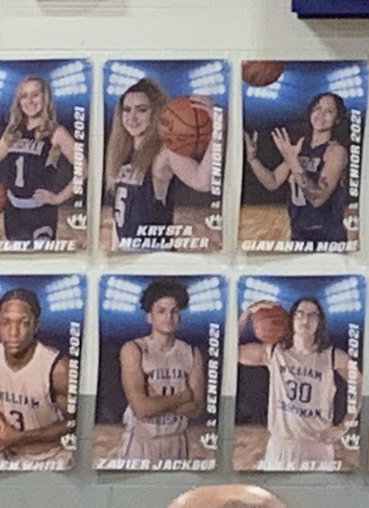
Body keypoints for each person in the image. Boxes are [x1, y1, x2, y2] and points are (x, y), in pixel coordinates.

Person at [237, 297, 358, 471]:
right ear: (291, 319)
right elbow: (230, 353)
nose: (305, 319)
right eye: (300, 314)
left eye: (312, 315)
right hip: (281, 445)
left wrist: (344, 426)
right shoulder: (273, 352)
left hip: (317, 447)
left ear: (319, 322)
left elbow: (361, 385)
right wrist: (247, 314)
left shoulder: (332, 356)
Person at [104, 78, 214, 251]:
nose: (132, 117)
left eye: (141, 110)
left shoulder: (164, 153)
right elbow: (120, 219)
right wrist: (114, 251)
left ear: (156, 113)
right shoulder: (122, 155)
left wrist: (217, 134)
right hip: (127, 257)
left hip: (155, 258)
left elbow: (203, 182)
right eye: (126, 110)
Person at [117, 279, 205, 463]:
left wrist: (156, 401)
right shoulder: (134, 349)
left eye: (174, 311)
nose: (169, 317)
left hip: (177, 441)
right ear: (149, 316)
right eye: (161, 311)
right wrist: (182, 397)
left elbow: (196, 408)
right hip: (141, 442)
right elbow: (141, 409)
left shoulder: (191, 352)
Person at [244, 92, 349, 245]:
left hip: (328, 236)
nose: (321, 114)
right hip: (299, 233)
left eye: (329, 111)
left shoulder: (336, 151)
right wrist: (253, 159)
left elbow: (318, 198)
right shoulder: (300, 147)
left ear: (337, 119)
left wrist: (293, 161)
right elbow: (272, 182)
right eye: (317, 108)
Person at [0, 76, 83, 243]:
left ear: (45, 97)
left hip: (40, 214)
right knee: (18, 267)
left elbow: (85, 168)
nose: (29, 101)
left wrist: (58, 198)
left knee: (40, 266)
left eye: (35, 94)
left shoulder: (56, 132)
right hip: (13, 214)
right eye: (24, 96)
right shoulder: (12, 133)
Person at [0, 288, 72, 468]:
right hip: (6, 456)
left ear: (36, 326)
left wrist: (20, 438)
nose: (13, 332)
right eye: (5, 322)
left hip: (47, 459)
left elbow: (74, 423)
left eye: (23, 323)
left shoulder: (57, 368)